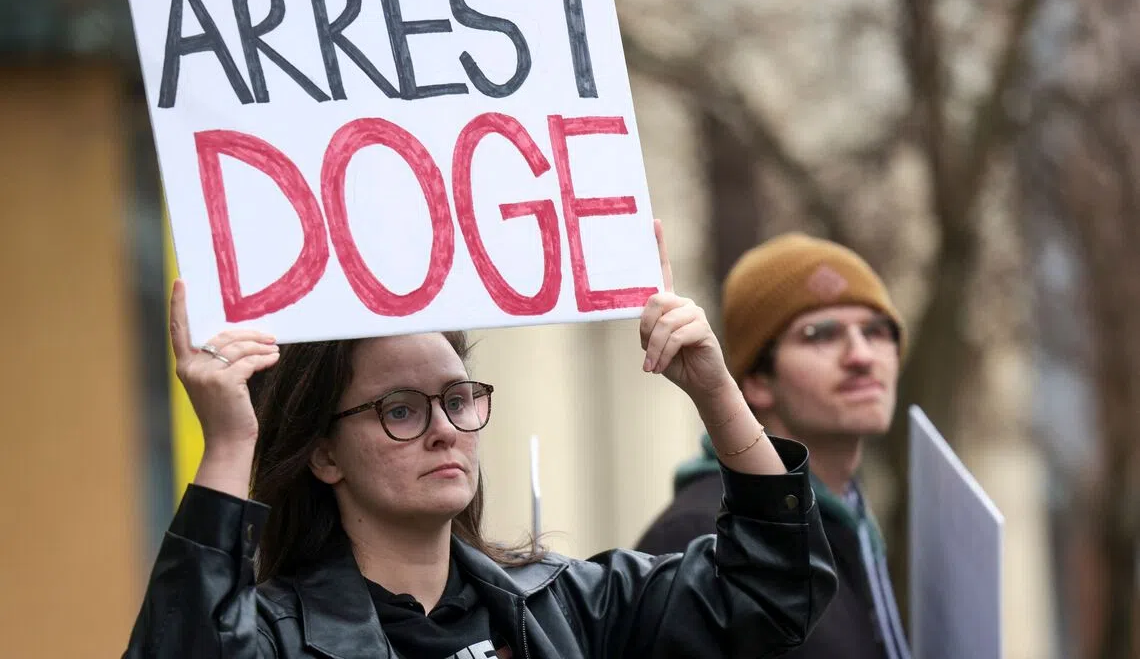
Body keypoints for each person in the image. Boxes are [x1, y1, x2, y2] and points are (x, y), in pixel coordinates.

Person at [124, 222, 837, 659]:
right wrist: (226, 445)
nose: (444, 429)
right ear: (324, 453)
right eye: (400, 410)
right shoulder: (275, 637)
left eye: (458, 399)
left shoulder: (569, 607)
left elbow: (776, 589)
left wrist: (715, 390)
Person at [634, 232, 911, 659]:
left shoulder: (854, 525)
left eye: (877, 331)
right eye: (821, 334)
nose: (861, 355)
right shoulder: (695, 533)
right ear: (757, 380)